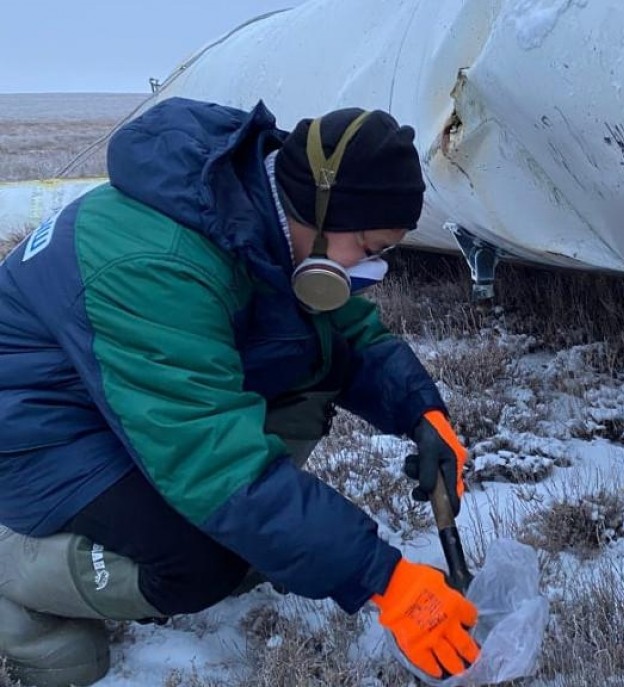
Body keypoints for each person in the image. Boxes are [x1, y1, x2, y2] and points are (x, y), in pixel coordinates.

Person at [0, 97, 480, 686]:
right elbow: (214, 464)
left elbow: (347, 335)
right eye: (370, 250)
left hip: (113, 398)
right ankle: (13, 571)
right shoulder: (159, 266)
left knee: (305, 382)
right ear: (322, 215)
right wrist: (383, 578)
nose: (372, 271)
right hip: (33, 432)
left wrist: (422, 413)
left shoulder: (259, 214)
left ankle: (256, 535)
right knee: (199, 564)